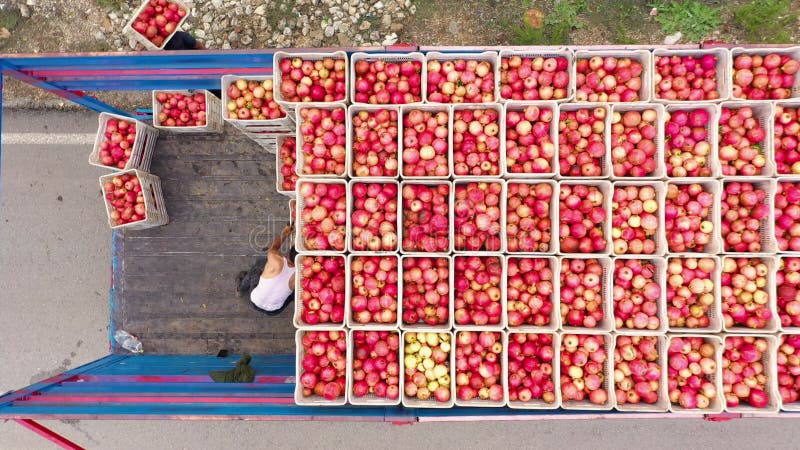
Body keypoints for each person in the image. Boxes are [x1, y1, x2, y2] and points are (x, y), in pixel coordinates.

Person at [236, 224, 296, 316]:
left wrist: (285, 233)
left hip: (256, 300)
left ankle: (240, 288)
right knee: (293, 294)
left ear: (288, 253)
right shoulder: (300, 276)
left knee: (257, 268)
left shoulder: (275, 260)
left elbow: (274, 247)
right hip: (274, 311)